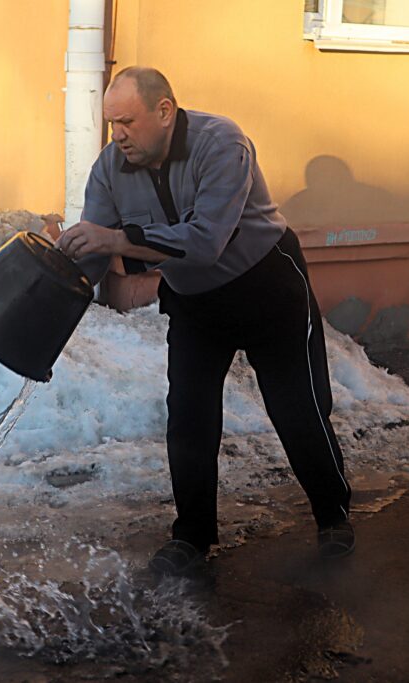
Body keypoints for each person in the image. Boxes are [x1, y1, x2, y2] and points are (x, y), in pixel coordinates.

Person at [56, 67, 354, 576]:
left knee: (296, 409)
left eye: (127, 121)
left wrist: (117, 241)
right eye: (111, 124)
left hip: (266, 287)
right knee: (189, 417)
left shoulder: (222, 144)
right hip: (195, 302)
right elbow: (90, 251)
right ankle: (192, 535)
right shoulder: (109, 168)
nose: (118, 135)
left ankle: (333, 517)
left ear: (165, 112)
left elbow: (205, 241)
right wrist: (50, 283)